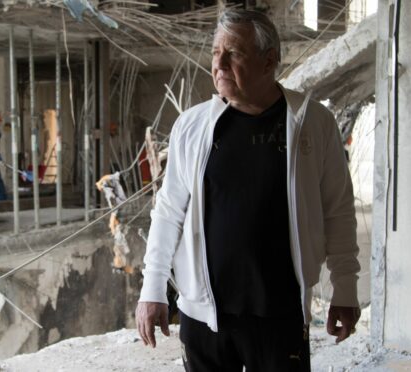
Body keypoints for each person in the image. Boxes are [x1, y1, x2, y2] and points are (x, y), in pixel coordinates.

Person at [136, 9, 361, 372]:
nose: (220, 64)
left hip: (280, 314)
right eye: (215, 53)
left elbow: (337, 211)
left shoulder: (311, 123)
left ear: (269, 60)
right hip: (204, 316)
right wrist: (153, 288)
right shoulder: (191, 127)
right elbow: (168, 212)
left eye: (234, 53)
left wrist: (345, 288)